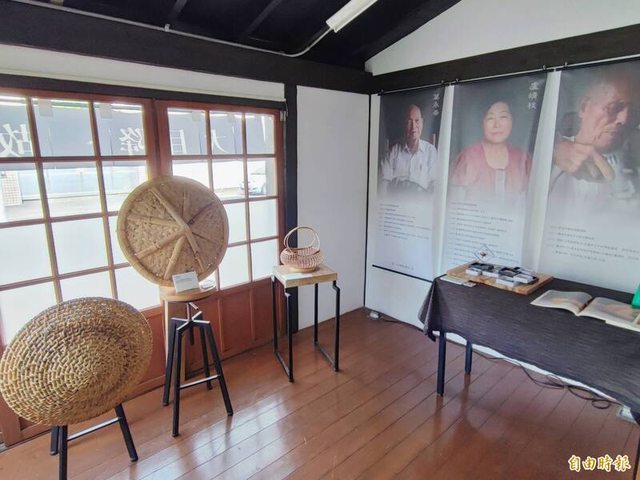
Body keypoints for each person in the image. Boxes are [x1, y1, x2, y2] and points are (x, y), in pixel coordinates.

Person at [550, 68, 638, 206]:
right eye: (613, 107)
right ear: (584, 107)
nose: (624, 119)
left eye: (634, 111)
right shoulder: (548, 157)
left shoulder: (633, 163)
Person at [450, 100, 531, 204]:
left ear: (512, 120)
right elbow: (454, 203)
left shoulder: (523, 159)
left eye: (503, 117)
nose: (497, 125)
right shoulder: (467, 157)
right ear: (482, 122)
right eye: (490, 118)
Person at [380, 104, 438, 194]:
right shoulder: (393, 152)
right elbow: (384, 184)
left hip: (421, 199)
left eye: (417, 121)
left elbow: (434, 186)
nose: (413, 126)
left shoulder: (431, 151)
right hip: (397, 197)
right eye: (409, 122)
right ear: (404, 125)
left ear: (422, 123)